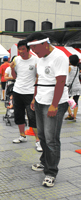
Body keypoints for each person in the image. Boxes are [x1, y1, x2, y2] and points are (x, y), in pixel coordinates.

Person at [27, 32, 69, 187]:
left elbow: (61, 81)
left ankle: (51, 172)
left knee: (51, 139)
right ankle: (44, 161)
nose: (34, 52)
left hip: (54, 102)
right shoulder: (41, 57)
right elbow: (40, 79)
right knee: (42, 136)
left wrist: (54, 104)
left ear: (45, 44)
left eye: (35, 48)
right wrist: (34, 97)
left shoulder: (59, 57)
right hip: (40, 100)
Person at [10, 40, 42, 152]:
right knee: (18, 115)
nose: (21, 52)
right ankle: (22, 136)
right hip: (17, 91)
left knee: (32, 116)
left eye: (23, 49)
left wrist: (35, 95)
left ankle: (38, 141)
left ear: (28, 50)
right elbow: (14, 77)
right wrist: (12, 68)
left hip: (30, 92)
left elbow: (38, 77)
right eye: (19, 49)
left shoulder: (35, 60)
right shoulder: (16, 60)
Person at [64, 55, 81, 122]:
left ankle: (70, 114)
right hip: (78, 86)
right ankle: (75, 116)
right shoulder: (77, 68)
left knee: (66, 99)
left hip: (70, 87)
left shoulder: (69, 68)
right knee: (76, 101)